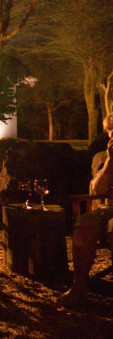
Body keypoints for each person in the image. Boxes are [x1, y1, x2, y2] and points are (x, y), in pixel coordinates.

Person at [57, 113, 113, 306]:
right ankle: (79, 288)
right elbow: (96, 190)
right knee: (83, 224)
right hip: (108, 208)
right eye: (111, 131)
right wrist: (110, 162)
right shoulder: (106, 157)